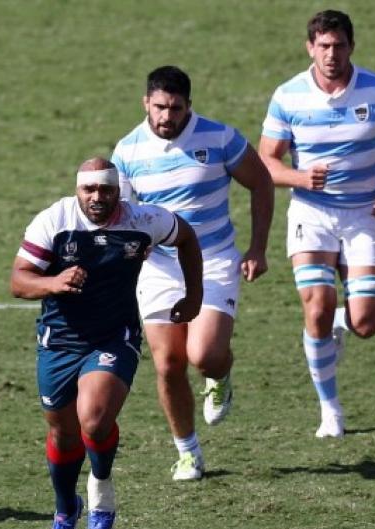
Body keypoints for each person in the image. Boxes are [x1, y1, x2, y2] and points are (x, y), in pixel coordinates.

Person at [11, 158, 201, 529]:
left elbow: (186, 237)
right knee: (64, 433)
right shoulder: (54, 221)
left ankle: (101, 484)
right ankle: (66, 509)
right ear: (77, 190)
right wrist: (53, 282)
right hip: (59, 341)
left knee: (94, 421)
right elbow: (19, 280)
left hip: (115, 337)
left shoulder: (143, 220)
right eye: (89, 189)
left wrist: (194, 296)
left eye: (106, 189)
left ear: (118, 191)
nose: (97, 197)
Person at [258, 9, 375, 438]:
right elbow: (265, 162)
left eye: (339, 46)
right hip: (311, 214)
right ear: (310, 48)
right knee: (315, 307)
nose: (331, 54)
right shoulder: (289, 96)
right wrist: (300, 178)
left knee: (366, 324)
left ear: (352, 47)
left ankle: (338, 321)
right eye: (323, 46)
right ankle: (330, 411)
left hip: (363, 215)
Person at [112, 65, 274, 482]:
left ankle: (221, 375)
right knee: (168, 364)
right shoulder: (127, 152)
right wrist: (133, 249)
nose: (167, 116)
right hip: (159, 268)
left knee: (205, 356)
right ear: (146, 103)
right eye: (159, 107)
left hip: (213, 260)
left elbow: (261, 182)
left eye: (176, 108)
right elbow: (121, 216)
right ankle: (188, 453)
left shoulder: (220, 138)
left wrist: (257, 247)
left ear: (189, 106)